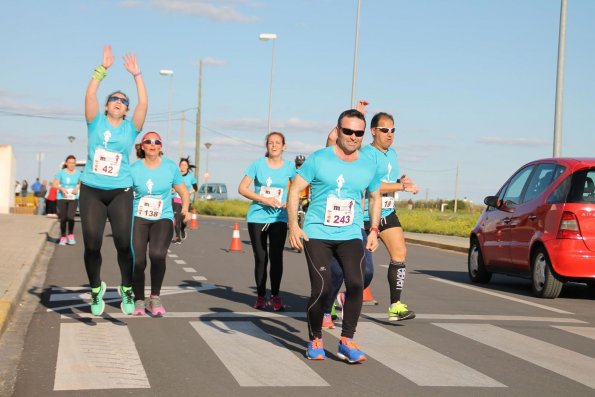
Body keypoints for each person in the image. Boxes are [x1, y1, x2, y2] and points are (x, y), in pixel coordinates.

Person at [287, 109, 382, 363]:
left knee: (356, 283)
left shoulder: (368, 164)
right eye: (348, 131)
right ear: (338, 130)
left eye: (358, 133)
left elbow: (375, 197)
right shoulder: (319, 159)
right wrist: (294, 226)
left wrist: (374, 229)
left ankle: (346, 340)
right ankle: (315, 338)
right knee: (323, 286)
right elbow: (295, 190)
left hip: (351, 232)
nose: (353, 137)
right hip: (317, 232)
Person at [79, 45, 148, 316]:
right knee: (92, 244)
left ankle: (127, 288)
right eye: (114, 99)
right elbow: (89, 94)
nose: (119, 102)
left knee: (123, 243)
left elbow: (144, 103)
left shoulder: (132, 129)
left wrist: (137, 75)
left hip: (120, 191)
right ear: (107, 106)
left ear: (126, 110)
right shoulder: (94, 122)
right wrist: (102, 69)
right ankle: (96, 290)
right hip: (92, 191)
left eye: (123, 101)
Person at [361, 112, 419, 321]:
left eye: (393, 130)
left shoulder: (392, 153)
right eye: (385, 130)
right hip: (366, 215)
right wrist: (402, 186)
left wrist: (401, 180)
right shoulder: (366, 154)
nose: (389, 134)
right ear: (373, 131)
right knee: (359, 270)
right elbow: (372, 185)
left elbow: (389, 180)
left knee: (400, 253)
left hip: (387, 212)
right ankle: (333, 301)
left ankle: (395, 306)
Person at [131, 132, 190, 316]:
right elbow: (123, 194)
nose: (152, 144)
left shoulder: (170, 167)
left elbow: (183, 191)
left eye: (157, 142)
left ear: (161, 147)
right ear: (142, 146)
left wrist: (186, 209)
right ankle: (139, 299)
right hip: (138, 217)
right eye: (148, 141)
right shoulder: (133, 169)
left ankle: (155, 296)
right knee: (138, 261)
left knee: (157, 254)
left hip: (162, 217)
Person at [238, 132, 296, 311]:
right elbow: (242, 188)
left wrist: (290, 201)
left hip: (279, 217)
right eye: (270, 143)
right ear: (267, 146)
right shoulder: (258, 164)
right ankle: (261, 296)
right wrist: (263, 199)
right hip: (257, 217)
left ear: (284, 146)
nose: (274, 145)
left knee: (276, 257)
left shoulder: (289, 167)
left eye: (278, 143)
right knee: (261, 258)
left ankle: (276, 296)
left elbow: (299, 188)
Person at [53, 155, 82, 245]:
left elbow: (81, 183)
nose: (71, 164)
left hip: (73, 198)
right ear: (66, 163)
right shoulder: (61, 173)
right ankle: (63, 237)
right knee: (63, 218)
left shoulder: (79, 173)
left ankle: (70, 234)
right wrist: (62, 189)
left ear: (75, 164)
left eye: (73, 163)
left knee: (70, 217)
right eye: (69, 163)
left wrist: (77, 188)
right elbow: (55, 185)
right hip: (62, 198)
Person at [172, 157, 197, 244]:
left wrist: (187, 193)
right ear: (179, 166)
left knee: (183, 220)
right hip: (176, 199)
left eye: (185, 165)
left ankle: (182, 229)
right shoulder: (175, 175)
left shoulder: (191, 177)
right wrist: (173, 189)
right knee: (176, 218)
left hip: (185, 200)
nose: (183, 166)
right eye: (181, 164)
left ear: (187, 167)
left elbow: (195, 188)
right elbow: (171, 185)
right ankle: (177, 237)